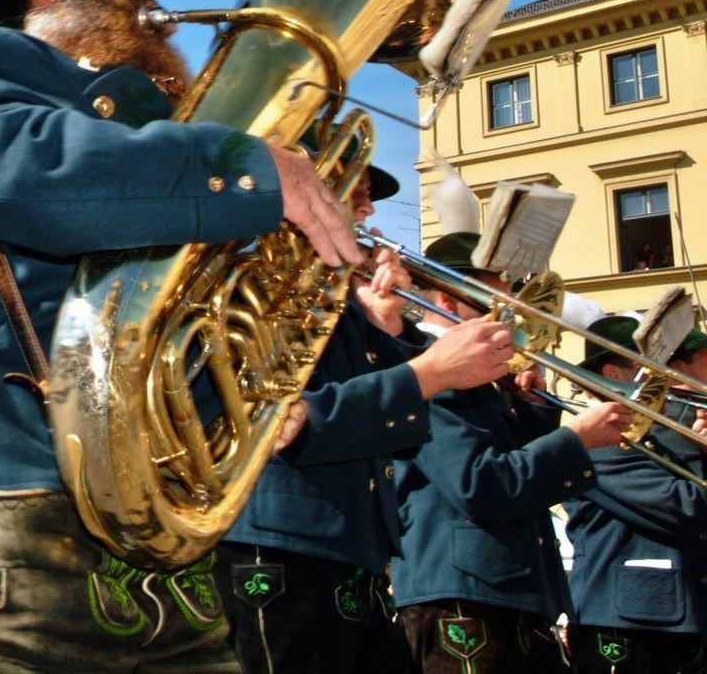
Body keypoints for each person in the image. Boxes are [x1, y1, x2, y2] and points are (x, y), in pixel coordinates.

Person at [0, 0, 363, 672]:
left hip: (154, 507)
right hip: (23, 493)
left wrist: (249, 399)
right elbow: (28, 181)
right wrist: (247, 167)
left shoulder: (162, 127)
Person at [216, 167, 518, 673]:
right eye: (355, 196)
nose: (369, 212)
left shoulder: (339, 300)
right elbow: (283, 424)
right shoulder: (254, 284)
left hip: (354, 553)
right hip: (277, 546)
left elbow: (394, 437)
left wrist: (386, 325)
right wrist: (427, 372)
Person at [389, 231, 633, 673]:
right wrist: (575, 439)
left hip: (505, 590)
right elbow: (480, 486)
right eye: (494, 306)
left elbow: (520, 482)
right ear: (447, 300)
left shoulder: (477, 377)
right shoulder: (430, 368)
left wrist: (533, 411)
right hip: (462, 594)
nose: (508, 324)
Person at [563, 315, 707, 674]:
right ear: (614, 375)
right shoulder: (601, 440)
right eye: (655, 368)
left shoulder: (664, 435)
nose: (668, 378)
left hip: (681, 620)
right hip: (626, 626)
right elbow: (685, 508)